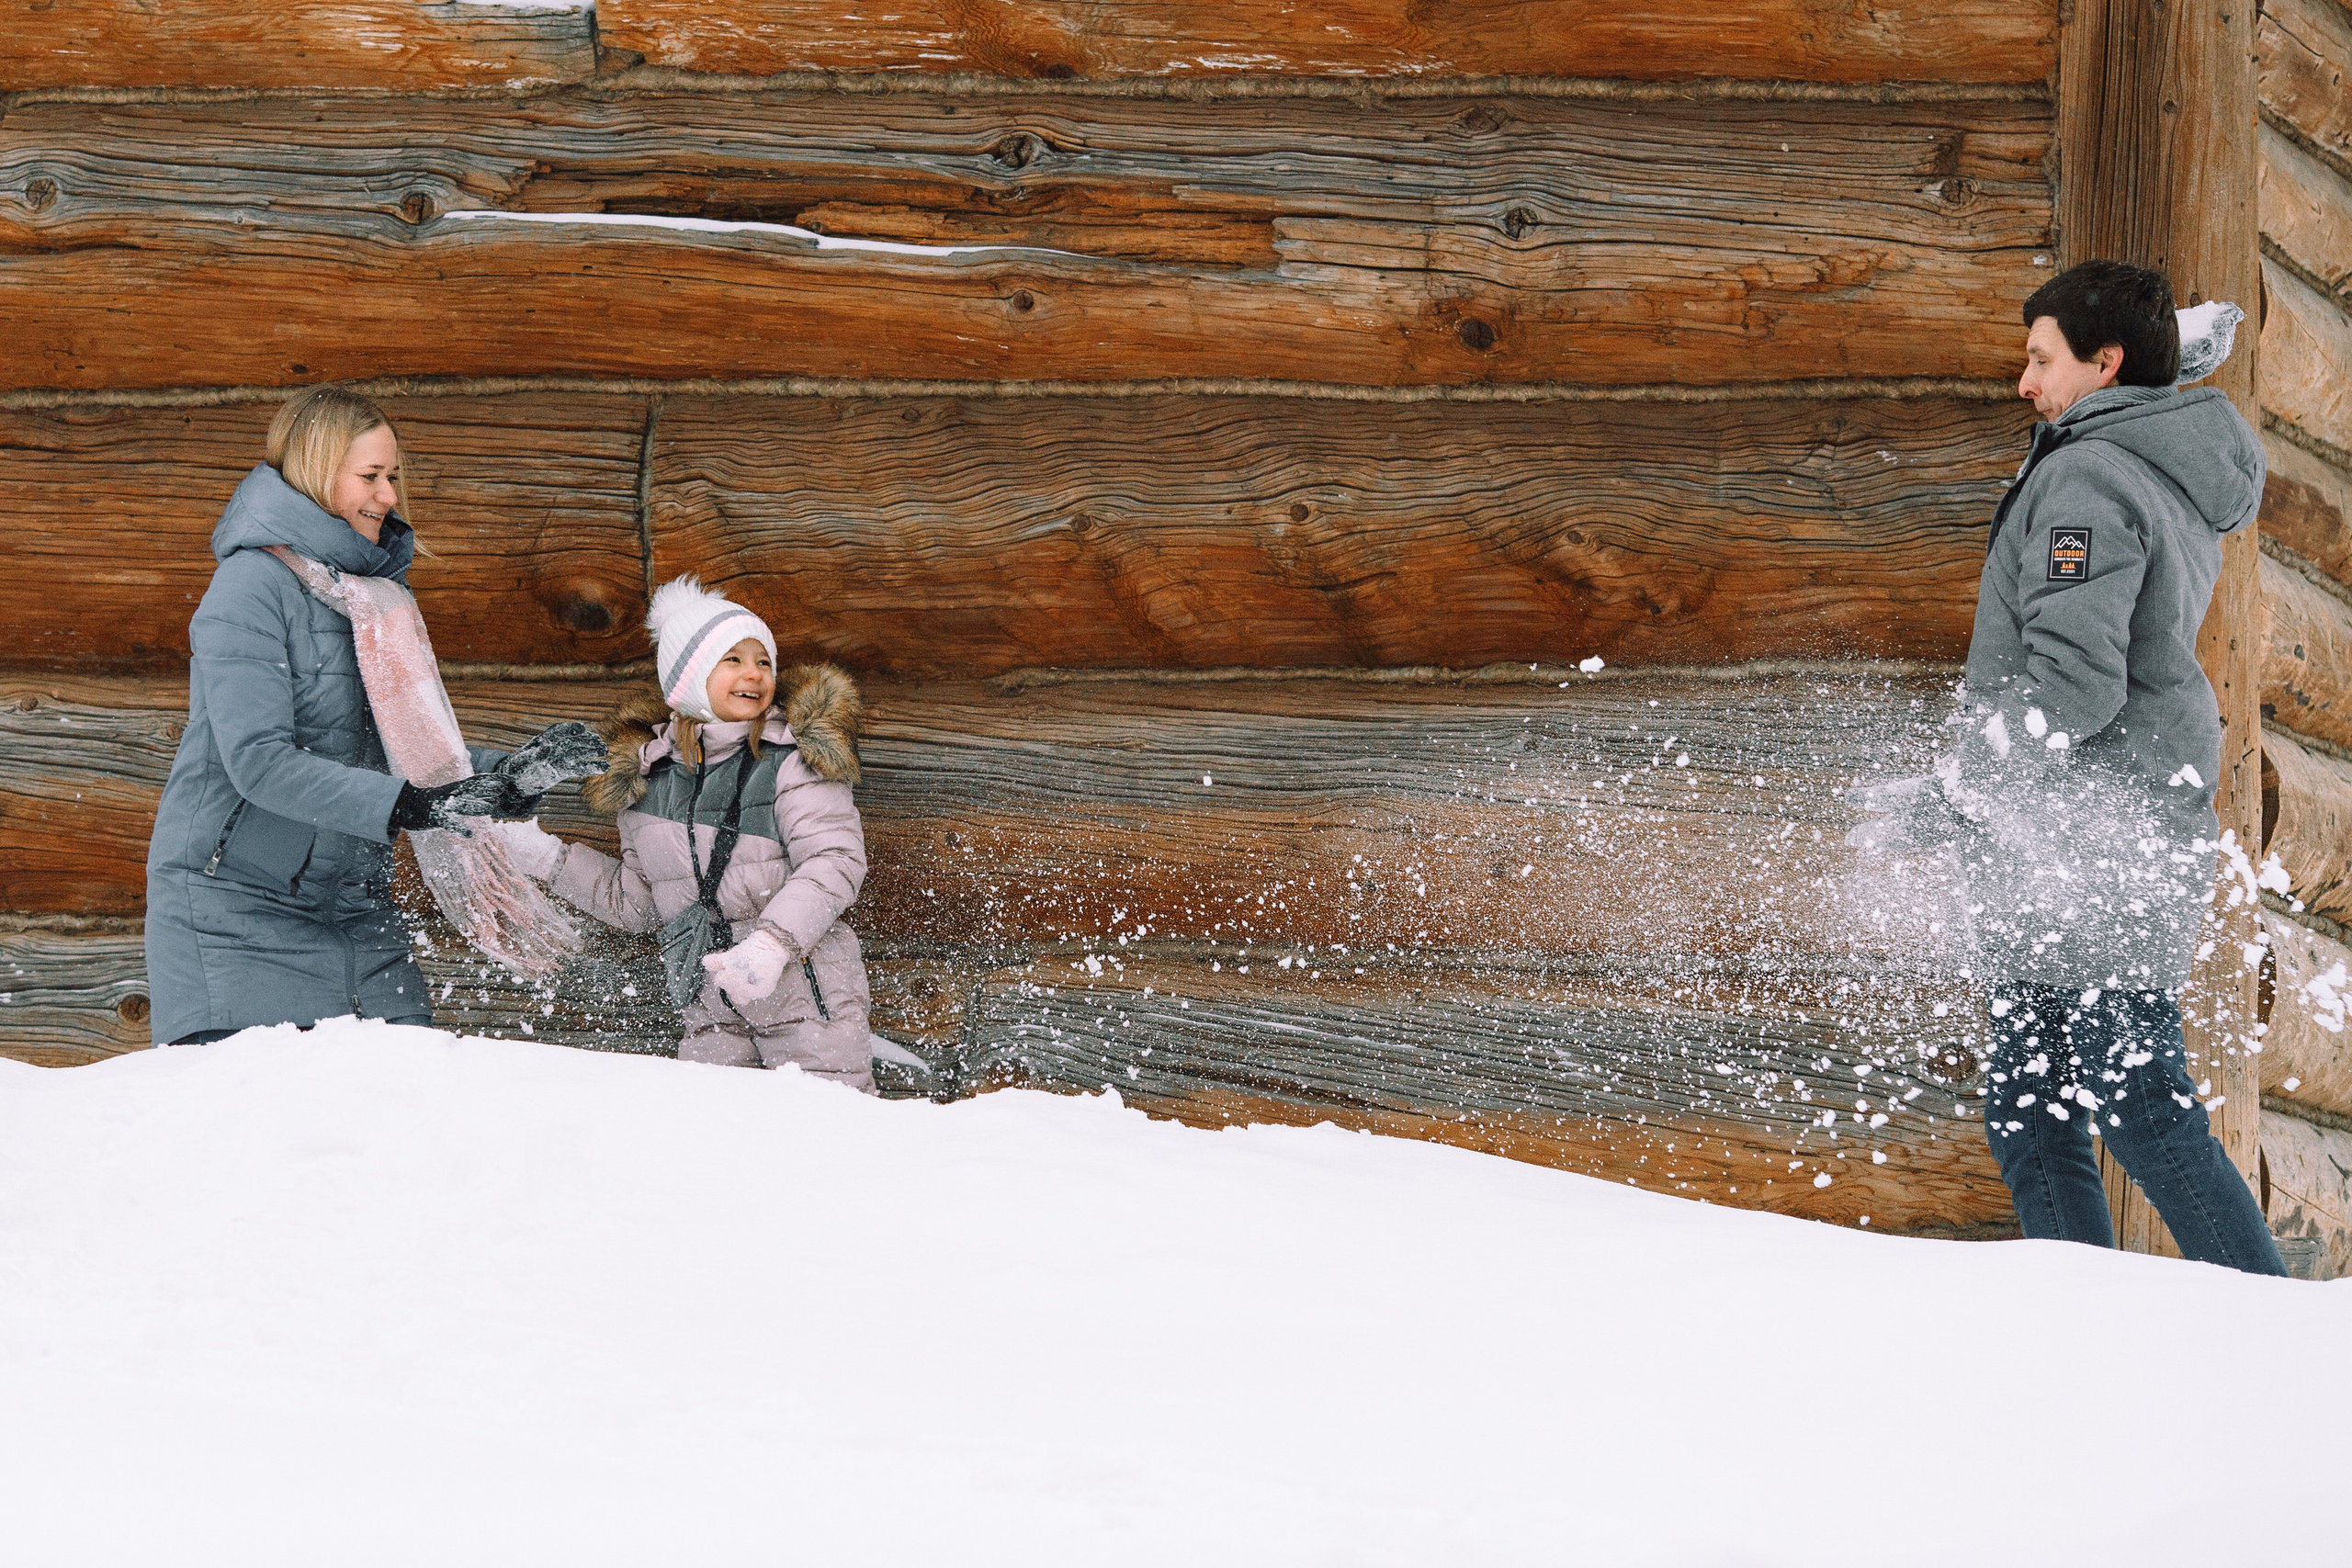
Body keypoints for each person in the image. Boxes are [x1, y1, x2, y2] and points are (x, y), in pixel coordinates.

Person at [1852, 260, 2286, 1274]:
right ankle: (2082, 1333)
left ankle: (2278, 1332)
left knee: (2132, 1099)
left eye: (2040, 359)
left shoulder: (2089, 477)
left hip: (2098, 837)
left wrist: (1957, 792)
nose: (2021, 383)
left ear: (2104, 365)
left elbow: (2075, 689)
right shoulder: (2145, 451)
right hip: (2065, 835)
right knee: (2032, 1106)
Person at [144, 385, 556, 1046]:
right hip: (237, 916)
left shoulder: (376, 599)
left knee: (401, 1122)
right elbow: (259, 761)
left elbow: (407, 747)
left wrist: (505, 775)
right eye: (370, 476)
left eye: (392, 476)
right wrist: (408, 804)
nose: (389, 495)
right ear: (315, 470)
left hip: (358, 909)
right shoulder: (251, 588)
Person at [495, 576, 879, 1091]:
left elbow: (835, 860)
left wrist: (770, 944)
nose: (755, 674)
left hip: (803, 985)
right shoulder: (646, 782)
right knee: (717, 1144)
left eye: (763, 660)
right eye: (733, 660)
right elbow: (640, 902)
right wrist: (547, 860)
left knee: (826, 1136)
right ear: (689, 679)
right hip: (706, 994)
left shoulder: (793, 759)